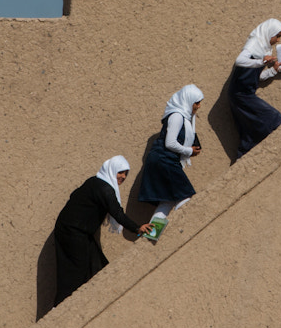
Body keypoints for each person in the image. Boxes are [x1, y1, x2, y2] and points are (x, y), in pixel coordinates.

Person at [53, 155, 153, 306]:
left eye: (126, 173)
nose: (123, 177)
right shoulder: (105, 189)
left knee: (98, 267)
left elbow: (74, 196)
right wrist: (138, 228)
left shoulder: (94, 182)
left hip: (76, 232)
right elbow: (117, 213)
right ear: (112, 170)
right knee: (74, 274)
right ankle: (58, 311)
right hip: (73, 233)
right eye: (120, 172)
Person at [138, 84, 204, 241]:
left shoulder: (185, 117)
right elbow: (170, 143)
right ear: (188, 100)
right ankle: (188, 229)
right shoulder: (176, 116)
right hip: (163, 160)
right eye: (197, 102)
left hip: (165, 160)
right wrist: (188, 151)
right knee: (185, 197)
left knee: (167, 201)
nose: (198, 106)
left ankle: (151, 237)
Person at [228, 18, 281, 159]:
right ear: (269, 32)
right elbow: (240, 60)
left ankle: (242, 160)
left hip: (245, 94)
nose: (278, 40)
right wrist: (261, 61)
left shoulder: (264, 47)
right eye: (277, 36)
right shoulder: (254, 43)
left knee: (250, 132)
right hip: (240, 94)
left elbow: (256, 76)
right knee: (275, 118)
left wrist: (273, 70)